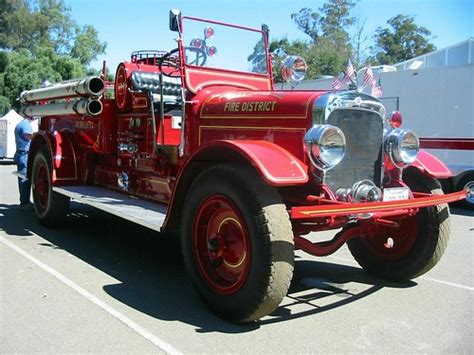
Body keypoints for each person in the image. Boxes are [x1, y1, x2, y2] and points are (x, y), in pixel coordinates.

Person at [14, 115, 35, 210]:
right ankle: (25, 202)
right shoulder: (26, 125)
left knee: (21, 178)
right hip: (24, 154)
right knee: (25, 180)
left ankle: (24, 201)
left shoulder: (19, 124)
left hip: (20, 153)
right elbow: (28, 135)